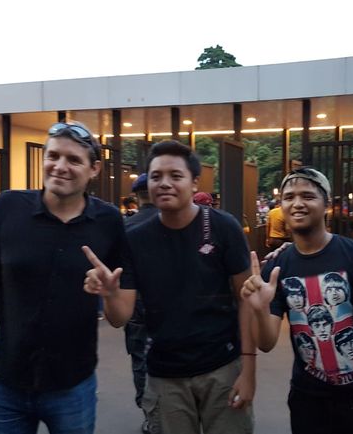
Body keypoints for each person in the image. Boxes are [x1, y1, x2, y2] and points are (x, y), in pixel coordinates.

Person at [0, 122, 127, 434]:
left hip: (73, 386)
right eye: (53, 156)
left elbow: (120, 317)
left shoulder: (109, 222)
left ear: (94, 169)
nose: (60, 167)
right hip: (7, 383)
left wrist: (110, 293)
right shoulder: (7, 209)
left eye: (74, 160)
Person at [83, 140, 255, 434]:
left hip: (223, 367)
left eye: (175, 176)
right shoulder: (135, 239)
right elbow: (119, 317)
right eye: (156, 176)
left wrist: (249, 371)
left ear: (193, 182)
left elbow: (247, 300)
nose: (164, 184)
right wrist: (110, 295)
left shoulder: (223, 227)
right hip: (164, 375)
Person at [241, 167, 353, 434]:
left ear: (326, 204)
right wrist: (259, 310)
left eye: (307, 196)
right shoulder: (277, 267)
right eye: (288, 197)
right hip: (309, 402)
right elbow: (267, 342)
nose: (297, 203)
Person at [122, 172, 158, 430]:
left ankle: (148, 411)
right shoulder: (171, 222)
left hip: (136, 304)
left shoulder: (126, 227)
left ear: (136, 196)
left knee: (139, 358)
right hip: (168, 304)